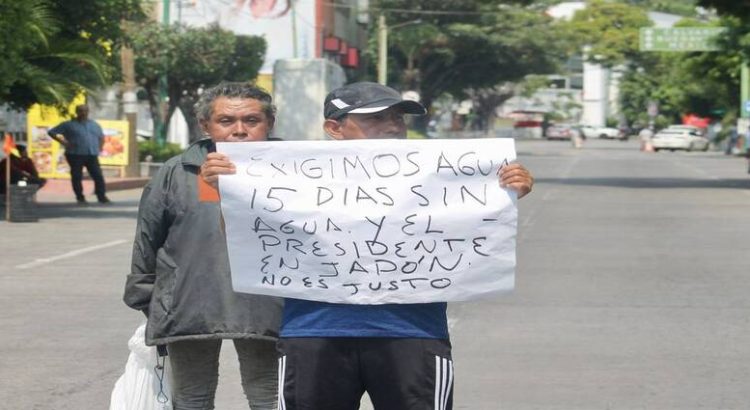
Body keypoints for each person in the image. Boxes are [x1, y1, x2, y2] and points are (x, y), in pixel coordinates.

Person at [202, 81, 533, 410]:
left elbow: (470, 226)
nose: (391, 126)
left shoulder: (439, 172)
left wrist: (503, 193)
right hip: (314, 332)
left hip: (412, 332)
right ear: (334, 127)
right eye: (375, 118)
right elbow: (246, 239)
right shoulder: (289, 176)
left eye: (398, 118)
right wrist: (229, 195)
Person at [123, 82, 283, 410]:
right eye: (226, 121)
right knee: (192, 398)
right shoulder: (177, 172)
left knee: (267, 393)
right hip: (189, 302)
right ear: (205, 126)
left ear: (270, 124)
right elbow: (147, 239)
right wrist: (146, 298)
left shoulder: (293, 171)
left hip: (267, 303)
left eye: (252, 121)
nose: (239, 131)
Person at [48, 104, 111, 204]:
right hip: (75, 154)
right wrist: (64, 142)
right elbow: (52, 132)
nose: (83, 113)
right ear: (77, 112)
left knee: (98, 175)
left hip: (91, 154)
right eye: (81, 111)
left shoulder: (94, 124)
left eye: (85, 111)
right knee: (77, 176)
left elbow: (101, 137)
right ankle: (80, 197)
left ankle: (101, 196)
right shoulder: (69, 124)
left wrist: (99, 148)